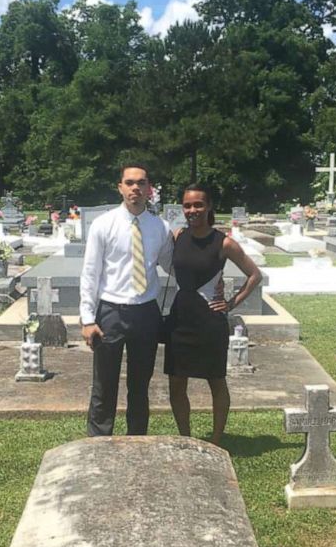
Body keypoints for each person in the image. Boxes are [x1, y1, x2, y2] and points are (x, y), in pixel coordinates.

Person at [165, 185, 261, 447]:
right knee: (176, 381)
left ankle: (217, 440)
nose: (192, 210)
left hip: (209, 319)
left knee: (216, 381)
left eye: (198, 205)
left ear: (208, 207)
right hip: (181, 316)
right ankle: (185, 436)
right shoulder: (177, 236)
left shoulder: (224, 243)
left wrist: (231, 303)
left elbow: (255, 275)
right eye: (187, 205)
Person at [80, 165, 173, 436]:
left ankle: (137, 440)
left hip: (146, 313)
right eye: (129, 183)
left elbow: (172, 266)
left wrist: (207, 281)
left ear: (149, 189)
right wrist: (88, 319)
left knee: (140, 384)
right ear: (120, 187)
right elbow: (90, 272)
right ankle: (98, 441)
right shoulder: (103, 224)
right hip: (110, 312)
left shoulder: (160, 227)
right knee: (104, 385)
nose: (135, 188)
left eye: (141, 183)